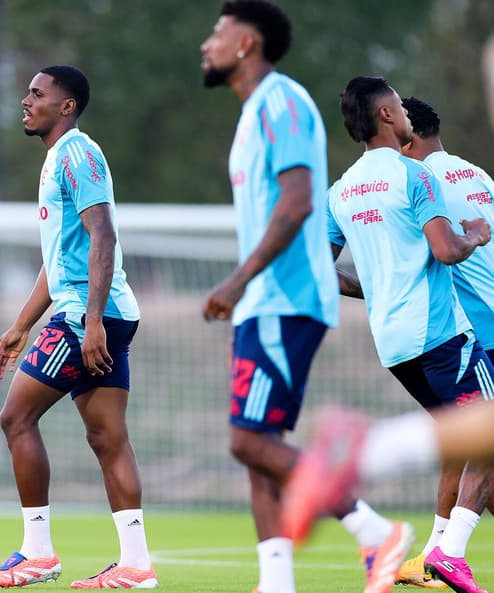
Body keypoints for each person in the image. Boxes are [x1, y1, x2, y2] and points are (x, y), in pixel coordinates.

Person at [199, 4, 413, 593]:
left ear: (246, 42)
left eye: (216, 32)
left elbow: (297, 203)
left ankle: (377, 534)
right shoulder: (250, 117)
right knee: (259, 445)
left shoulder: (281, 101)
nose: (206, 44)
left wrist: (239, 282)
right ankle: (276, 582)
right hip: (263, 304)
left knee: (246, 440)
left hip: (283, 300)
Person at [282, 76, 493, 593]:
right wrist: (475, 235)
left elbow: (318, 271)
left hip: (394, 343)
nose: (402, 112)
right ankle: (367, 458)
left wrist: (375, 286)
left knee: (463, 438)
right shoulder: (416, 175)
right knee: (486, 434)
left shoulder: (341, 190)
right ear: (387, 117)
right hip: (445, 332)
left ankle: (436, 549)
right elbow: (446, 251)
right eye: (397, 105)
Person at [0, 65, 156, 589]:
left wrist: (92, 321)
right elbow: (59, 262)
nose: (26, 100)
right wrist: (19, 327)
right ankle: (136, 564)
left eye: (38, 93)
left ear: (67, 106)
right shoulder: (60, 158)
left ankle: (38, 554)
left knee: (15, 418)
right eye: (28, 93)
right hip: (99, 313)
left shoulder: (77, 153)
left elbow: (103, 237)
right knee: (107, 437)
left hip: (88, 317)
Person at [395, 95, 494, 588]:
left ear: (408, 138)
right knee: (467, 442)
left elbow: (436, 256)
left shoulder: (421, 183)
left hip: (480, 329)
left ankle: (448, 552)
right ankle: (438, 553)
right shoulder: (477, 174)